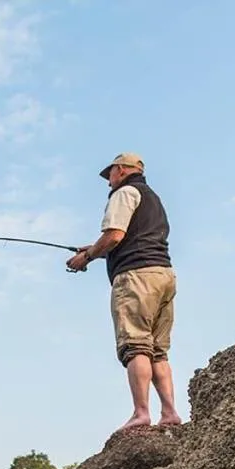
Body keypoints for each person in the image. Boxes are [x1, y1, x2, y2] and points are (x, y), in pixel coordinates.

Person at [66, 152, 182, 431]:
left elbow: (115, 235)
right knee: (158, 351)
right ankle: (170, 413)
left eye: (110, 176)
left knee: (135, 346)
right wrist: (95, 250)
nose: (108, 183)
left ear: (120, 170)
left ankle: (141, 412)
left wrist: (88, 256)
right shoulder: (153, 198)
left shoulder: (124, 193)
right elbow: (133, 239)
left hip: (136, 278)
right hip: (163, 274)